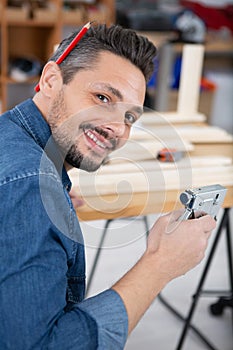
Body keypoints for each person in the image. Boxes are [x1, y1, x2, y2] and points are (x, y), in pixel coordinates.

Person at [0, 24, 216, 349]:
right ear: (50, 80)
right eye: (102, 97)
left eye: (130, 117)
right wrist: (159, 264)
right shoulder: (31, 186)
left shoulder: (14, 145)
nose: (116, 128)